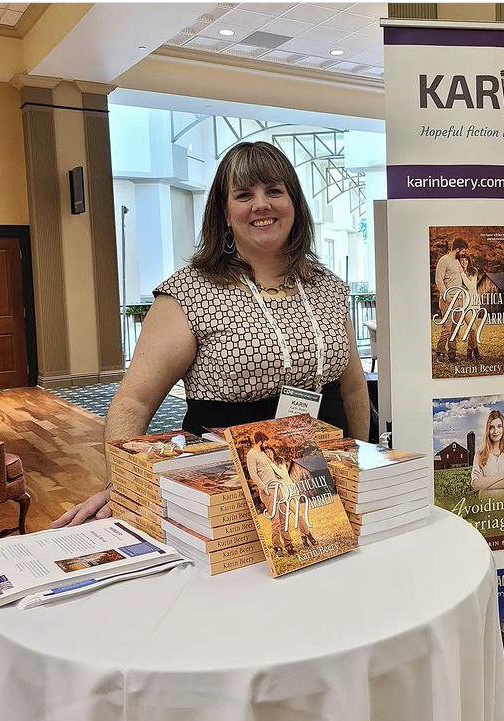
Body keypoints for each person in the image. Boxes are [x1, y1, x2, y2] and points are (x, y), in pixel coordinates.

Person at [52, 141, 370, 527]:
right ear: (224, 212)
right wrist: (120, 484)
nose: (261, 204)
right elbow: (134, 401)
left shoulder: (328, 287)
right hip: (226, 486)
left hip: (325, 479)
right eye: (244, 195)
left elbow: (353, 388)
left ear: (294, 204)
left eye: (274, 191)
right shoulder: (189, 292)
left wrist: (362, 462)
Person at [246, 431, 292, 556]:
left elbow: (271, 467)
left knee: (284, 517)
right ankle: (277, 547)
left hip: (278, 488)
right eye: (264, 442)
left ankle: (289, 544)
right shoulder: (251, 454)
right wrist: (264, 487)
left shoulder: (262, 453)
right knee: (275, 520)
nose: (266, 444)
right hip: (268, 491)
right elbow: (253, 474)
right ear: (260, 441)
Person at [264, 443, 316, 548]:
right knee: (298, 515)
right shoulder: (267, 467)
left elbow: (283, 475)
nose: (269, 454)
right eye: (266, 453)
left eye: (270, 452)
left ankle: (304, 538)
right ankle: (310, 537)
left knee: (299, 515)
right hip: (283, 494)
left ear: (273, 451)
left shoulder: (280, 461)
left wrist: (272, 464)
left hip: (292, 489)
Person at [470, 410, 504, 495]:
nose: (495, 431)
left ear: (503, 428)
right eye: (491, 427)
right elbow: (475, 484)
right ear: (487, 430)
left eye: (499, 426)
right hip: (486, 505)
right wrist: (503, 476)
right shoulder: (480, 453)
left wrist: (485, 483)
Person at [434, 238, 466, 363]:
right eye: (463, 250)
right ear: (457, 249)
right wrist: (447, 297)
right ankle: (440, 352)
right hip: (448, 299)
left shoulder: (456, 261)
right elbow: (439, 280)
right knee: (447, 328)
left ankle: (452, 353)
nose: (463, 253)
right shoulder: (444, 260)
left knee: (455, 328)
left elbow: (461, 273)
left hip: (459, 299)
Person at [457, 250, 481, 361]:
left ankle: (469, 350)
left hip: (475, 301)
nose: (464, 262)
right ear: (459, 262)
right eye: (461, 260)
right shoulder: (457, 273)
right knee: (472, 328)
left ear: (468, 261)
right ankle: (476, 350)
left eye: (465, 260)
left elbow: (471, 287)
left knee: (474, 330)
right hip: (465, 303)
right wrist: (461, 273)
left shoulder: (473, 271)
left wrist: (463, 274)